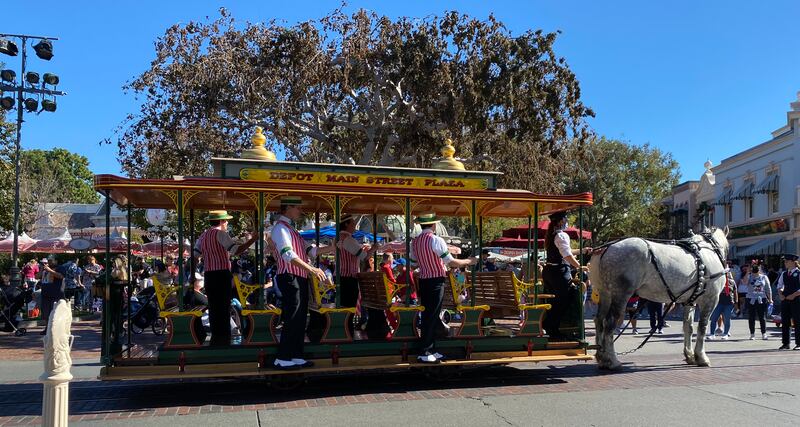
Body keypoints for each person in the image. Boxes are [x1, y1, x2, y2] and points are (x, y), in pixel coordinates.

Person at [409, 212, 477, 363]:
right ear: (433, 225)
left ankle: (430, 348)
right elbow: (451, 262)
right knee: (432, 315)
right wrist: (469, 261)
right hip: (436, 281)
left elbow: (413, 263)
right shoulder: (436, 240)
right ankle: (426, 350)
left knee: (428, 314)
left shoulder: (415, 242)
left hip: (424, 281)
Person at [270, 196, 328, 369]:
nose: (300, 211)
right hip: (290, 276)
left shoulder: (292, 230)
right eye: (298, 208)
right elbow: (288, 255)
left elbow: (311, 251)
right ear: (288, 207)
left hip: (298, 277)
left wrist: (335, 247)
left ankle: (295, 354)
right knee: (293, 316)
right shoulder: (280, 229)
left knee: (300, 316)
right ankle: (283, 357)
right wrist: (312, 270)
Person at [193, 210, 257, 346]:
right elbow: (235, 250)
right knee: (223, 307)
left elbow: (195, 256)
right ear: (221, 221)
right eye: (226, 220)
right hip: (222, 274)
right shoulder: (221, 234)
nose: (227, 223)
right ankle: (224, 338)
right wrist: (252, 240)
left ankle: (217, 337)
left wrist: (190, 275)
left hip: (209, 275)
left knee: (214, 306)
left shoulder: (203, 236)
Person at [541, 211, 592, 339]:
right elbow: (567, 255)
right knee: (564, 300)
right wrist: (579, 267)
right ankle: (552, 327)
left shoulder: (553, 234)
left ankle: (551, 326)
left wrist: (582, 251)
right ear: (560, 221)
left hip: (550, 272)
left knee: (556, 301)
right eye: (565, 218)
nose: (567, 221)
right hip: (559, 272)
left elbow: (566, 251)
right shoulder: (561, 235)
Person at [776, 254, 800, 350]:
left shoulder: (798, 273)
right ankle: (786, 343)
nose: (785, 263)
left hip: (797, 300)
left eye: (786, 261)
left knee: (798, 321)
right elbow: (779, 285)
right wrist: (780, 293)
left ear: (793, 262)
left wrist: (793, 295)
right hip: (785, 300)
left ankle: (799, 343)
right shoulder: (784, 273)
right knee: (785, 322)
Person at [39, 256, 66, 335]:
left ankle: (55, 328)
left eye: (51, 260)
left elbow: (61, 276)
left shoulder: (60, 267)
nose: (49, 262)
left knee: (54, 312)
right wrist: (42, 270)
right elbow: (37, 276)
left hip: (56, 293)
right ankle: (47, 328)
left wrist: (50, 270)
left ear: (56, 261)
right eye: (49, 261)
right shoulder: (45, 268)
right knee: (46, 312)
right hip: (45, 293)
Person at [708, 270, 737, 340]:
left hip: (729, 303)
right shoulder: (719, 281)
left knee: (727, 319)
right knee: (714, 318)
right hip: (719, 302)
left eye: (728, 274)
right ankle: (712, 334)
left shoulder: (732, 282)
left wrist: (736, 302)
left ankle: (726, 333)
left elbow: (735, 292)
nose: (727, 275)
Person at [746, 264, 772, 340]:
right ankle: (752, 334)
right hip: (751, 299)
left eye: (756, 270)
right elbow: (744, 283)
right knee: (751, 317)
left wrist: (770, 299)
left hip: (761, 298)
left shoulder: (764, 277)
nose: (755, 272)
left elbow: (768, 288)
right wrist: (747, 272)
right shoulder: (749, 276)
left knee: (762, 317)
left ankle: (764, 333)